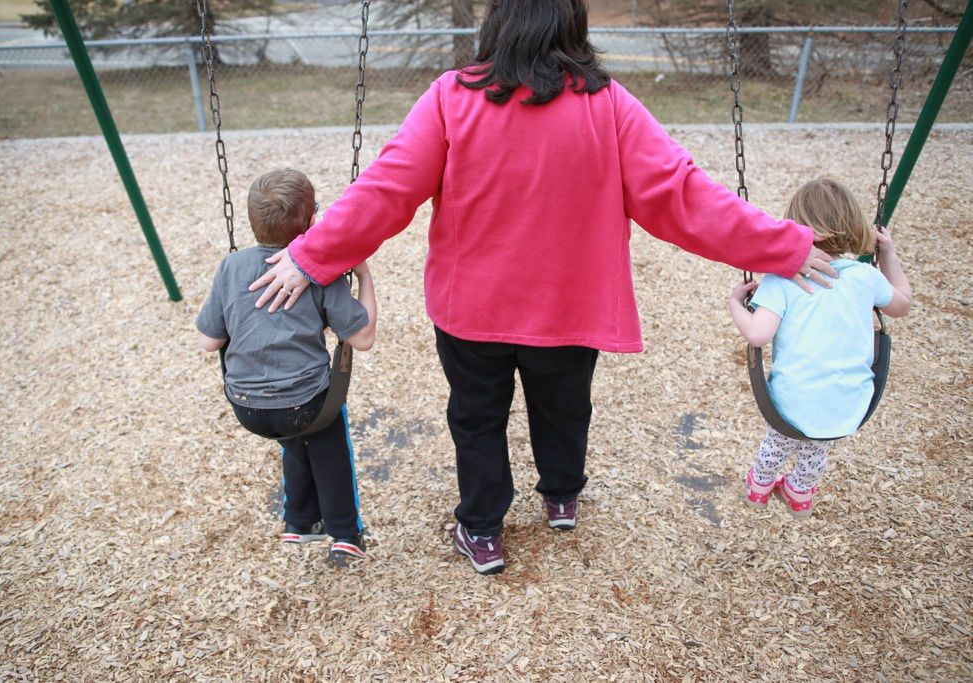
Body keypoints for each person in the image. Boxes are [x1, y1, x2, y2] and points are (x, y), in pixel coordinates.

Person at [248, 0, 837, 575]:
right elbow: (684, 197)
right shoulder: (608, 105)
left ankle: (481, 529)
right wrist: (781, 245)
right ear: (573, 26)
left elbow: (387, 189)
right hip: (568, 308)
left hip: (472, 310)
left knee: (477, 419)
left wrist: (310, 257)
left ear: (497, 24)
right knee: (563, 408)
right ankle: (561, 496)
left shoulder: (454, 97)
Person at [196, 168, 378, 567]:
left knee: (293, 435)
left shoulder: (231, 267)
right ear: (312, 221)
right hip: (307, 405)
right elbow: (362, 339)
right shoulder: (320, 268)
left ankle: (299, 520)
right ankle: (345, 534)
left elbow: (209, 342)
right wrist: (362, 273)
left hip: (249, 409)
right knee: (327, 444)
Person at [729, 178, 912, 518]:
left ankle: (759, 488)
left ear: (795, 228)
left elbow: (757, 335)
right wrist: (888, 253)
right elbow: (902, 304)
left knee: (779, 440)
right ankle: (799, 493)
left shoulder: (780, 279)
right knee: (816, 445)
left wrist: (736, 304)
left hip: (792, 402)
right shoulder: (864, 276)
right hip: (847, 405)